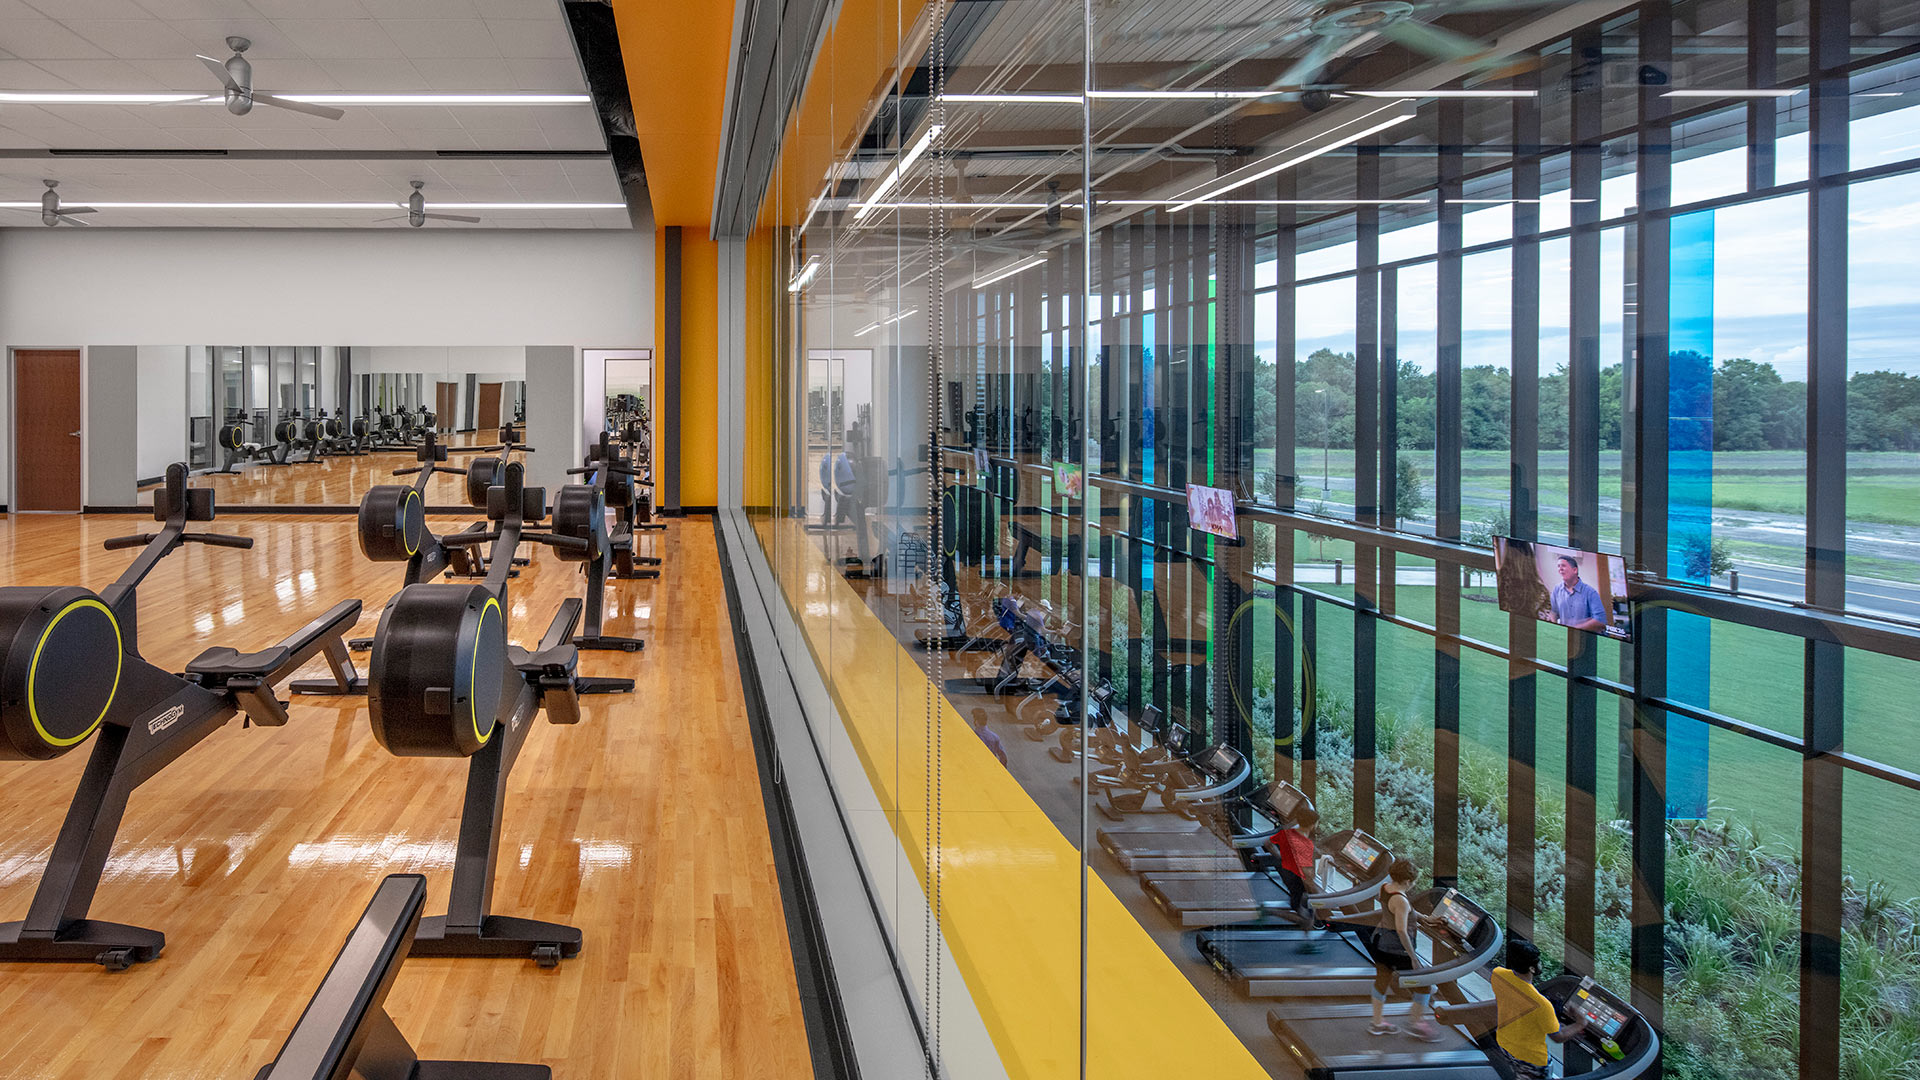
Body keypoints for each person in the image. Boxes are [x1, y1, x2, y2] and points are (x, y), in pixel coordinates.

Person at [1326, 858, 1446, 1042]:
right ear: (1407, 881)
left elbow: (1403, 912)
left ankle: (1377, 1023)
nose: (1413, 885)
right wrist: (1413, 957)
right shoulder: (1401, 900)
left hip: (1380, 942)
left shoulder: (1385, 888)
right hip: (1396, 949)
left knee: (1381, 981)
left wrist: (1426, 919)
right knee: (1425, 985)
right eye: (1413, 882)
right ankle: (1416, 1023)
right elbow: (1401, 930)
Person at [1490, 939, 1587, 1080]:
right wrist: (1580, 1023)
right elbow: (1558, 1037)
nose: (1540, 963)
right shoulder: (1541, 1004)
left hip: (1504, 1045)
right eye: (1538, 961)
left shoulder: (1497, 974)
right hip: (1532, 1060)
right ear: (1531, 968)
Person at [1264, 805, 1322, 943]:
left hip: (1287, 874)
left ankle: (1309, 940)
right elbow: (1306, 871)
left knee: (1305, 912)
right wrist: (1314, 889)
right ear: (1313, 824)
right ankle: (1268, 912)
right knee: (1306, 917)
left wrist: (1280, 856)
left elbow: (1268, 843)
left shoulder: (1290, 832)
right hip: (1298, 881)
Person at [1548, 553, 1609, 632]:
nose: (1560, 569)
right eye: (1558, 566)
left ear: (1575, 570)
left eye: (1563, 566)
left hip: (1584, 638)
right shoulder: (1556, 589)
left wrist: (1574, 630)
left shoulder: (1590, 592)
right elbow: (1553, 612)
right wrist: (1555, 628)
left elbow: (1600, 621)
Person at [818, 446, 856, 527]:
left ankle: (836, 519)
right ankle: (837, 519)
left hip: (847, 487)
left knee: (842, 497)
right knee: (841, 497)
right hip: (847, 486)